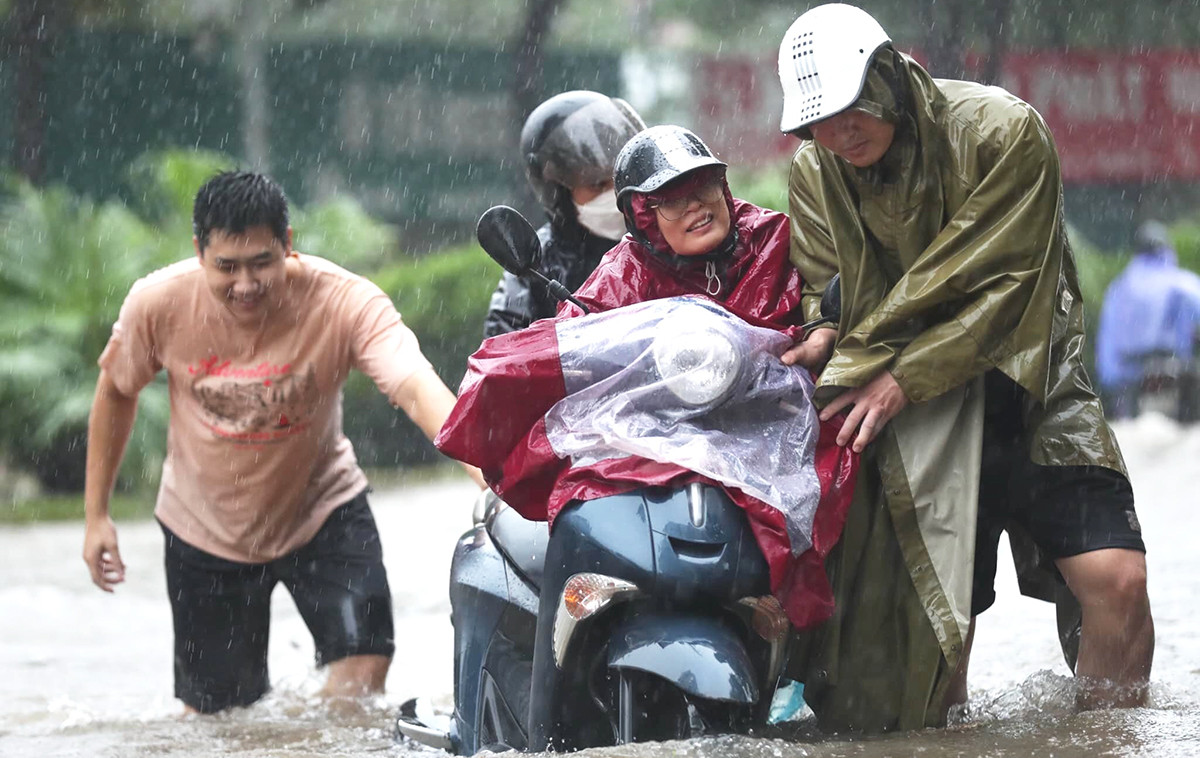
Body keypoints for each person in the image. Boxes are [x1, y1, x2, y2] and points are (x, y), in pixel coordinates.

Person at [774, 3, 1153, 732]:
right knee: (937, 638)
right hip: (917, 416)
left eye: (853, 106)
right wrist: (825, 336)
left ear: (890, 76)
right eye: (819, 120)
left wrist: (898, 372)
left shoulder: (1003, 131)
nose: (840, 131)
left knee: (1118, 582)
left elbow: (1015, 287)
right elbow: (831, 294)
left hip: (1032, 380)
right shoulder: (817, 170)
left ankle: (1109, 737)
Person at [437, 123, 858, 749]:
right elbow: (571, 349)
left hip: (758, 452)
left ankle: (825, 689)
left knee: (841, 504)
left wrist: (826, 331)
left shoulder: (777, 241)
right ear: (641, 214)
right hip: (639, 456)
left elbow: (834, 292)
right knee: (573, 515)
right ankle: (544, 731)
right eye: (670, 197)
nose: (696, 205)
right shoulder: (615, 277)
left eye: (704, 185)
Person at [82, 170, 484, 714]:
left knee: (364, 667)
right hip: (203, 528)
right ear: (199, 251)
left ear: (288, 245)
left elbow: (414, 387)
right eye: (226, 267)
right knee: (220, 719)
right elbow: (115, 390)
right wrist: (96, 514)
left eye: (261, 263)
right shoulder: (158, 303)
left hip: (322, 510)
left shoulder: (344, 301)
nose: (245, 285)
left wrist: (482, 463)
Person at [482, 90, 645, 337]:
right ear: (558, 193)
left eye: (620, 177)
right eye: (597, 185)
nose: (615, 192)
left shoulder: (669, 231)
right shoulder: (538, 264)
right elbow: (502, 349)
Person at [1095, 220, 1200, 419]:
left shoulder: (1118, 289)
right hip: (1172, 367)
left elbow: (1106, 339)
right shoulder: (1179, 282)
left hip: (1129, 375)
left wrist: (1111, 381)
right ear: (1167, 248)